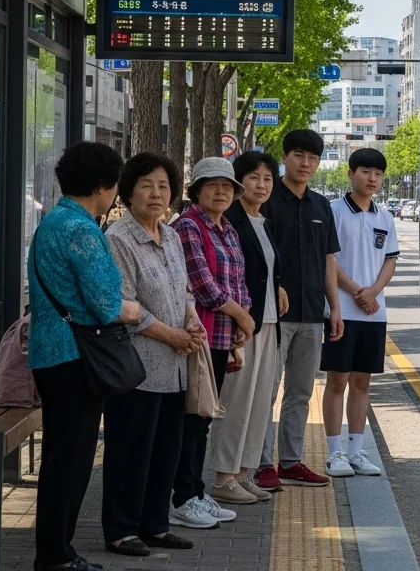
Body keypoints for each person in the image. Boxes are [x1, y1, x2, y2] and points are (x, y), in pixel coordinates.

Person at [27, 141, 141, 571]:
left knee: (61, 458)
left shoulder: (52, 222)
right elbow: (106, 303)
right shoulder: (82, 229)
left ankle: (55, 552)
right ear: (103, 185)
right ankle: (56, 557)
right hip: (77, 357)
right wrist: (133, 309)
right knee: (69, 465)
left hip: (50, 355)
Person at [102, 153, 205, 555]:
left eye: (164, 186)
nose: (156, 193)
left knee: (166, 451)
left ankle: (155, 525)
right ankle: (120, 530)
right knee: (130, 450)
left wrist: (192, 319)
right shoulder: (119, 240)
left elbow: (182, 291)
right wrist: (173, 336)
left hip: (175, 367)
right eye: (146, 184)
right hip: (138, 367)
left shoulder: (172, 235)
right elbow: (124, 306)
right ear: (128, 192)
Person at [254, 129, 343, 491]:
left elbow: (328, 260)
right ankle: (260, 464)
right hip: (273, 315)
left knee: (301, 393)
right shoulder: (266, 200)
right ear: (285, 157)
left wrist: (334, 308)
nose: (305, 163)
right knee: (266, 391)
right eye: (298, 155)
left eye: (312, 158)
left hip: (311, 313)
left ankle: (290, 461)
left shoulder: (322, 205)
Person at [170, 157, 253, 529]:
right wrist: (242, 316)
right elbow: (204, 286)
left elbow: (239, 281)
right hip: (199, 337)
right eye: (212, 185)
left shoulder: (228, 228)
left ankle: (196, 490)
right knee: (191, 418)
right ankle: (182, 497)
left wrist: (241, 323)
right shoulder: (189, 226)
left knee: (203, 418)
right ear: (197, 191)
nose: (220, 192)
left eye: (227, 186)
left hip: (222, 337)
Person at [206, 151, 288, 505]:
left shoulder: (263, 222)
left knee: (259, 404)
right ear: (241, 184)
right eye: (254, 177)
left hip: (268, 323)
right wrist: (241, 318)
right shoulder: (232, 221)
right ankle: (223, 478)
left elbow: (264, 268)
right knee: (236, 404)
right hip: (242, 325)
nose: (262, 185)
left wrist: (278, 285)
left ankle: (244, 474)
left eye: (268, 178)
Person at [322, 149, 399, 478]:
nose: (372, 178)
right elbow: (328, 259)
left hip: (372, 314)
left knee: (363, 383)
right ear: (350, 173)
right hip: (339, 310)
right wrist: (357, 291)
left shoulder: (386, 217)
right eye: (366, 171)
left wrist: (374, 292)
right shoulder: (334, 211)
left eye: (378, 173)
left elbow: (390, 260)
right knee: (337, 381)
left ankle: (356, 451)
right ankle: (333, 452)